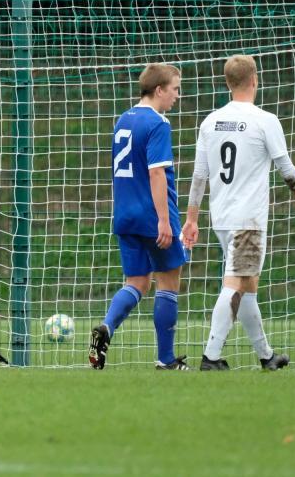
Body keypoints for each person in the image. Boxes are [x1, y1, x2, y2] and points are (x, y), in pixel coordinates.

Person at [181, 54, 295, 371]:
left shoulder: (210, 121)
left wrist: (191, 218)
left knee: (248, 285)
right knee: (236, 284)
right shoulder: (264, 120)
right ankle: (211, 357)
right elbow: (286, 169)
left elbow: (199, 176)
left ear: (228, 83)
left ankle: (266, 356)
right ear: (255, 79)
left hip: (222, 218)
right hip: (248, 221)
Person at [89, 63, 190, 370]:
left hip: (125, 213)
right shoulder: (158, 123)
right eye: (174, 89)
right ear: (159, 89)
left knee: (136, 282)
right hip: (152, 214)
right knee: (168, 282)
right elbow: (156, 172)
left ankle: (107, 326)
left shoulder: (124, 119)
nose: (177, 96)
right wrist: (163, 220)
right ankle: (166, 359)